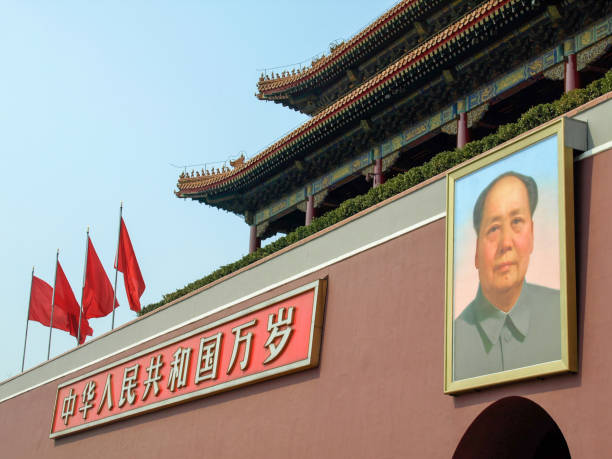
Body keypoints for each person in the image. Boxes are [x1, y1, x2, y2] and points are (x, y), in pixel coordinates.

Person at [453, 171, 560, 381]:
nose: (506, 244)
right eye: (493, 228)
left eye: (517, 222)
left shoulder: (559, 311)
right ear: (476, 252)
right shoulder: (456, 339)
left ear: (532, 235)